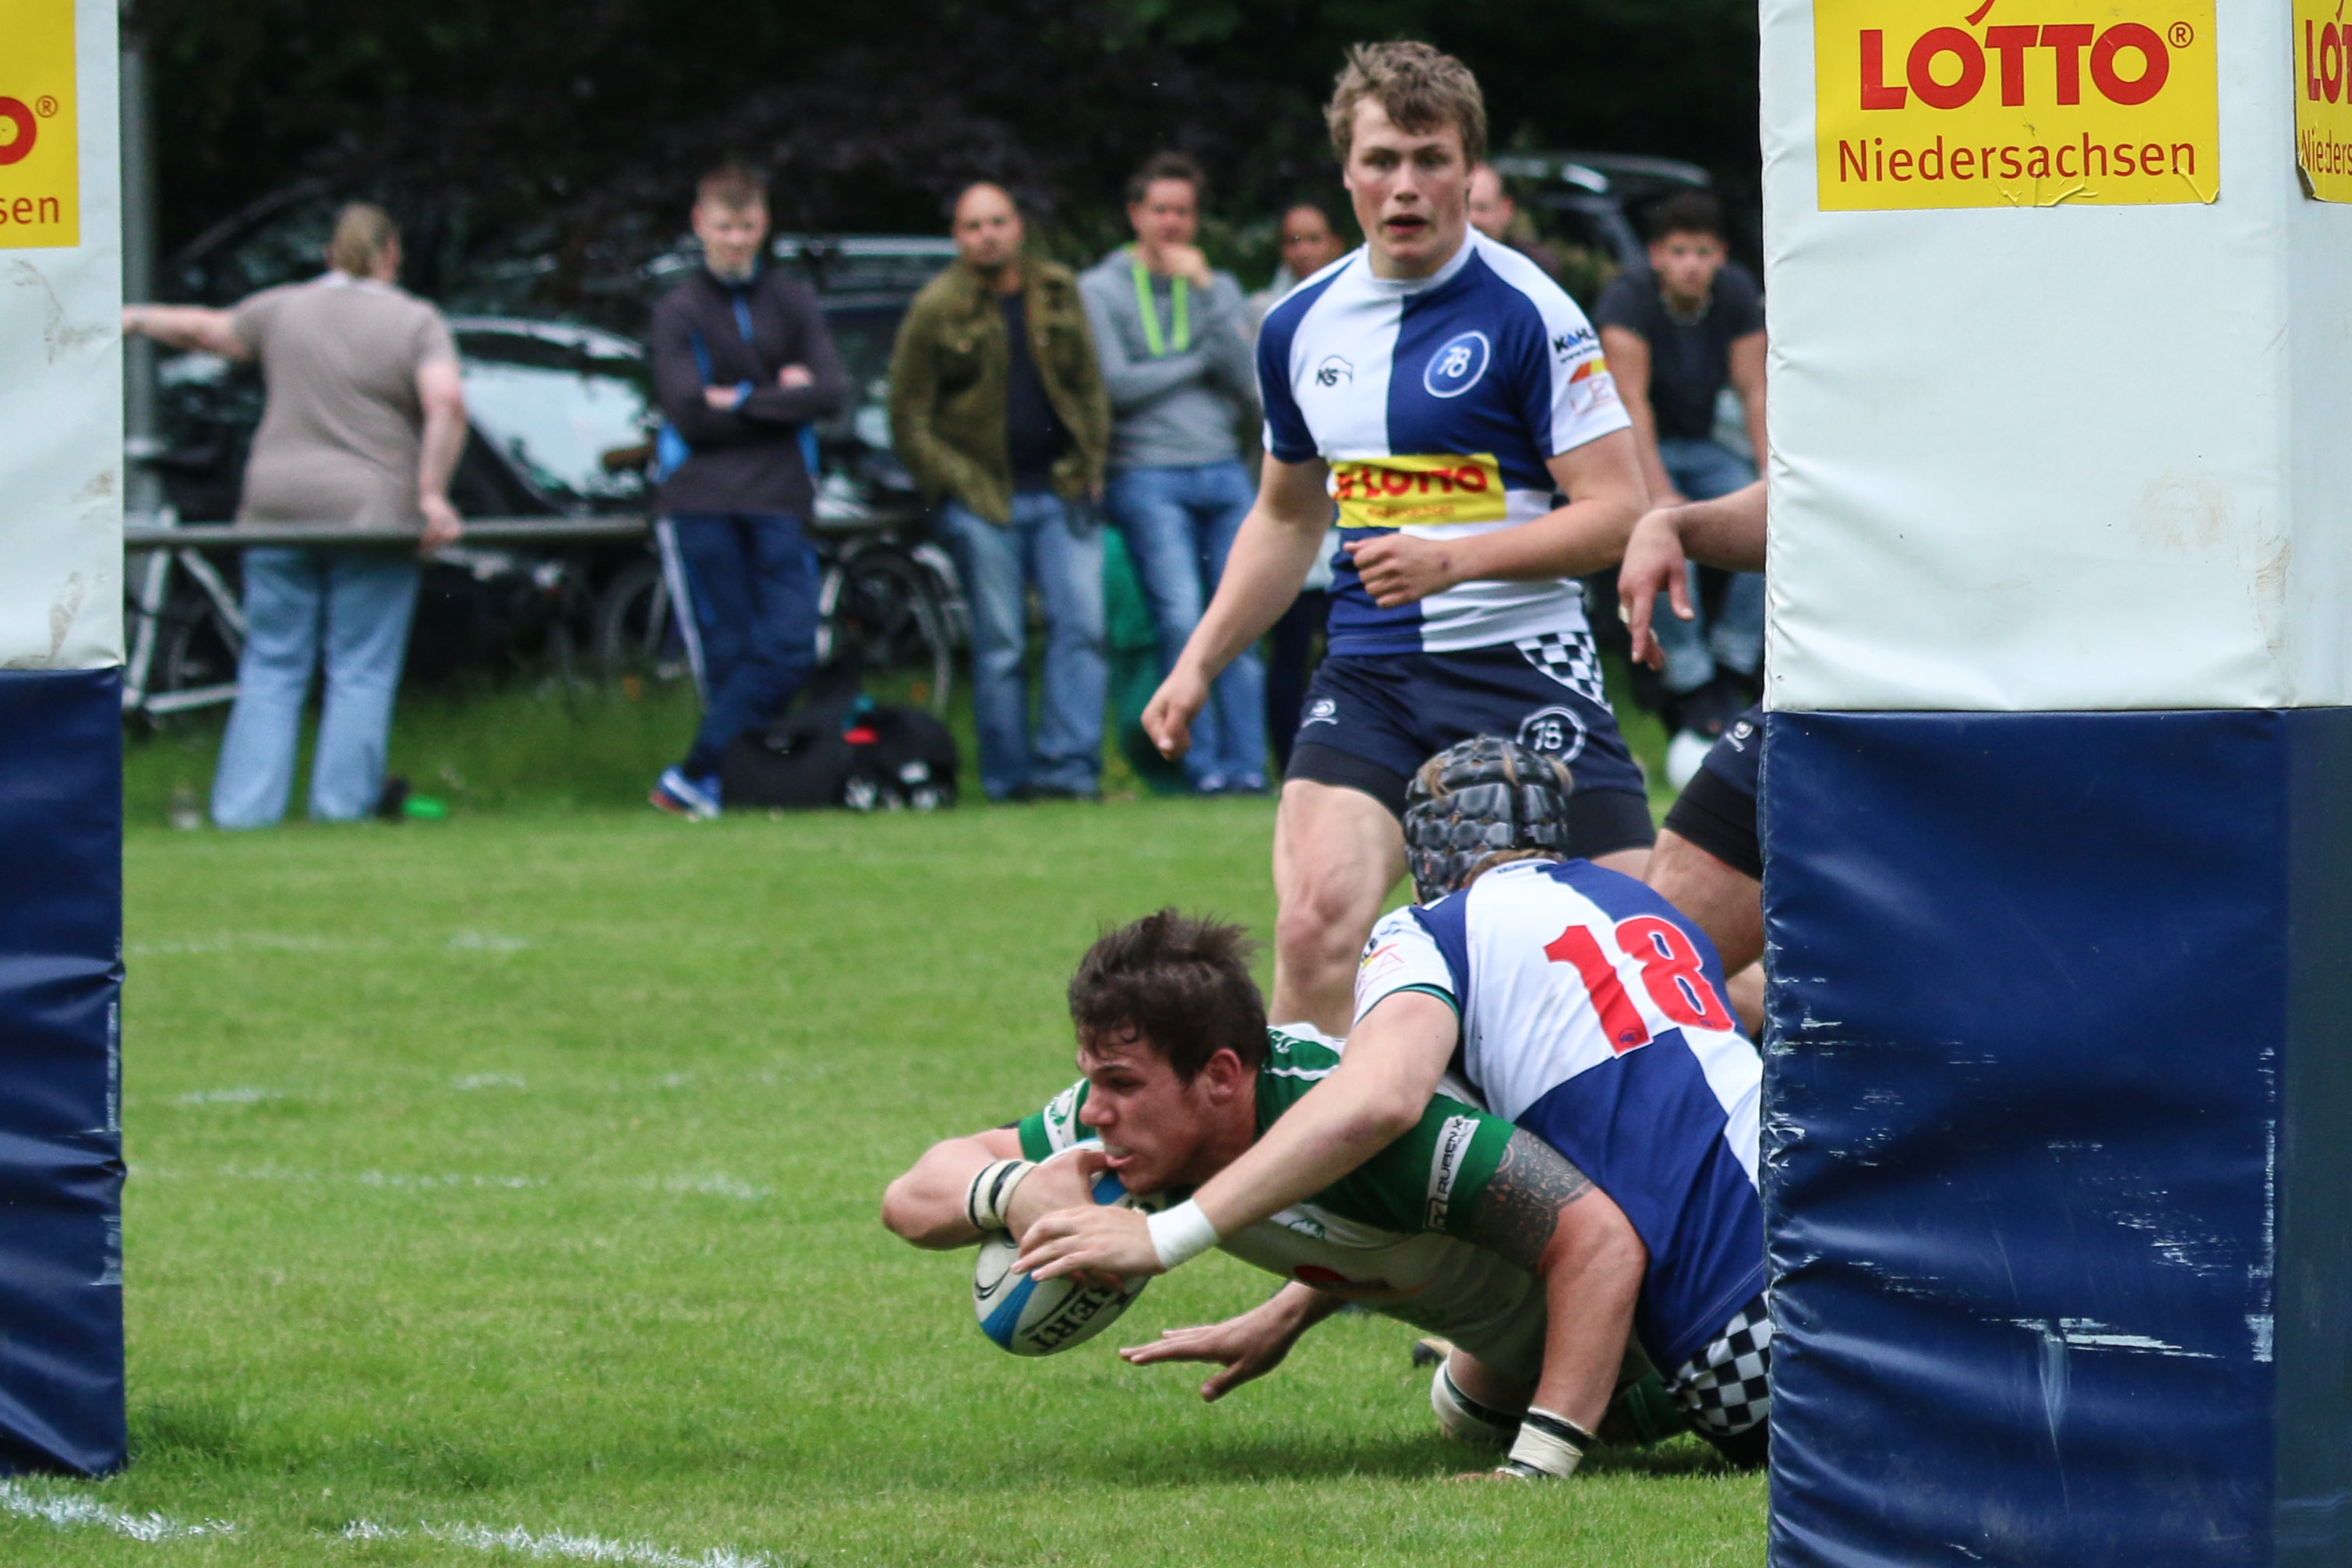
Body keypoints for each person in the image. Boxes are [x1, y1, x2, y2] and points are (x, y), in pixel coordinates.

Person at [1018, 739, 1770, 1469]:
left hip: (1736, 1338)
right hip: (1822, 1249)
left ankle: (1615, 1414)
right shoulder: (1646, 908)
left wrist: (1166, 1236)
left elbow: (1379, 1102)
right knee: (1468, 1398)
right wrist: (1287, 1312)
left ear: (1426, 858)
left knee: (1549, 1357)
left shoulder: (1429, 930)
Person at [1141, 41, 1652, 1037]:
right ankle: (1315, 1141)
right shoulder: (1297, 325)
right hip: (1373, 675)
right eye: (1382, 160)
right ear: (1347, 170)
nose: (1405, 185)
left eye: (1430, 158)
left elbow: (1617, 513)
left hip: (1519, 662)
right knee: (1316, 923)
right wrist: (1198, 663)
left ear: (1469, 169)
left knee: (1639, 939)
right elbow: (1287, 515)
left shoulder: (1532, 313)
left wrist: (1453, 560)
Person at [881, 910, 1683, 1471]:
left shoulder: (1366, 1127)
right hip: (1503, 1340)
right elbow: (909, 1197)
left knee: (1663, 1411)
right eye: (1091, 1079)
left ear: (1220, 1075)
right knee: (1465, 1412)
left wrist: (1537, 1465)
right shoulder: (1133, 1133)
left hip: (1656, 1329)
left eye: (1120, 1082)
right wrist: (1012, 1189)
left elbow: (1598, 1239)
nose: (1093, 1111)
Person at [122, 203, 466, 829]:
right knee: (360, 669)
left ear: (329, 255)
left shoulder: (283, 307)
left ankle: (244, 811)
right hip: (370, 511)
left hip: (275, 507)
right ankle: (341, 808)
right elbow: (446, 402)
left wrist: (136, 318)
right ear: (391, 255)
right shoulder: (416, 320)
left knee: (272, 664)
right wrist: (432, 493)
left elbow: (206, 331)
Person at [889, 183, 1112, 802]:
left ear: (1018, 226)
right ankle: (1009, 782)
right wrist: (954, 485)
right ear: (957, 237)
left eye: (997, 222)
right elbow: (908, 415)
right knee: (1001, 645)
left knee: (1082, 630)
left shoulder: (1056, 290)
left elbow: (1089, 387)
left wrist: (1090, 459)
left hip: (1061, 488)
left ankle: (1070, 774)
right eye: (973, 226)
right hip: (984, 497)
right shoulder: (936, 307)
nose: (987, 235)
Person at [645, 164, 847, 819]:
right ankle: (735, 783)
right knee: (727, 655)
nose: (736, 240)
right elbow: (687, 412)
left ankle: (694, 774)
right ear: (700, 225)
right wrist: (778, 398)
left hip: (780, 499)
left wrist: (736, 398)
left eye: (748, 227)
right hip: (701, 502)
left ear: (765, 226)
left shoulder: (792, 301)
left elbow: (829, 392)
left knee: (790, 648)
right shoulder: (679, 311)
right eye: (725, 227)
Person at [1080, 154, 1266, 795]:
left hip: (1222, 468)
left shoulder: (1219, 286)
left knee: (1241, 616)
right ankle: (1202, 764)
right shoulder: (1100, 288)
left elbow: (1249, 383)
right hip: (1147, 471)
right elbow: (1116, 386)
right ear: (1136, 214)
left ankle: (1248, 767)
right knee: (1182, 616)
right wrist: (1197, 363)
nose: (1171, 223)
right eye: (1160, 209)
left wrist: (1210, 295)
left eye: (1183, 211)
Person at [1592, 190, 1767, 779]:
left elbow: (1755, 390)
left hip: (1707, 446)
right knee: (1664, 536)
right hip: (1640, 448)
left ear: (1720, 256)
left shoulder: (1736, 293)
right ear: (1656, 257)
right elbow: (1631, 404)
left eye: (1703, 252)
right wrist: (1661, 494)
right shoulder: (1627, 299)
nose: (1691, 264)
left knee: (1771, 524)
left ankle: (1735, 663)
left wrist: (1771, 476)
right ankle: (1690, 680)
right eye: (1679, 252)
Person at [1619, 479, 1770, 1034]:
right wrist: (1675, 525)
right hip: (1815, 709)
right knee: (1638, 991)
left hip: (1993, 716)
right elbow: (1812, 498)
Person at [1246, 200, 1354, 773]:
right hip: (1300, 502)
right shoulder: (1270, 316)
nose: (1304, 251)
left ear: (1336, 241)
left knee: (1348, 645)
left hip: (1357, 511)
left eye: (1315, 238)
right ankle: (1290, 760)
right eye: (1293, 240)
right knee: (1288, 644)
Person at [1465, 162, 1564, 282]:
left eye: (1482, 208)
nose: (1472, 219)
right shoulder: (1444, 266)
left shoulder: (1536, 266)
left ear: (1506, 209)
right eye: (1465, 208)